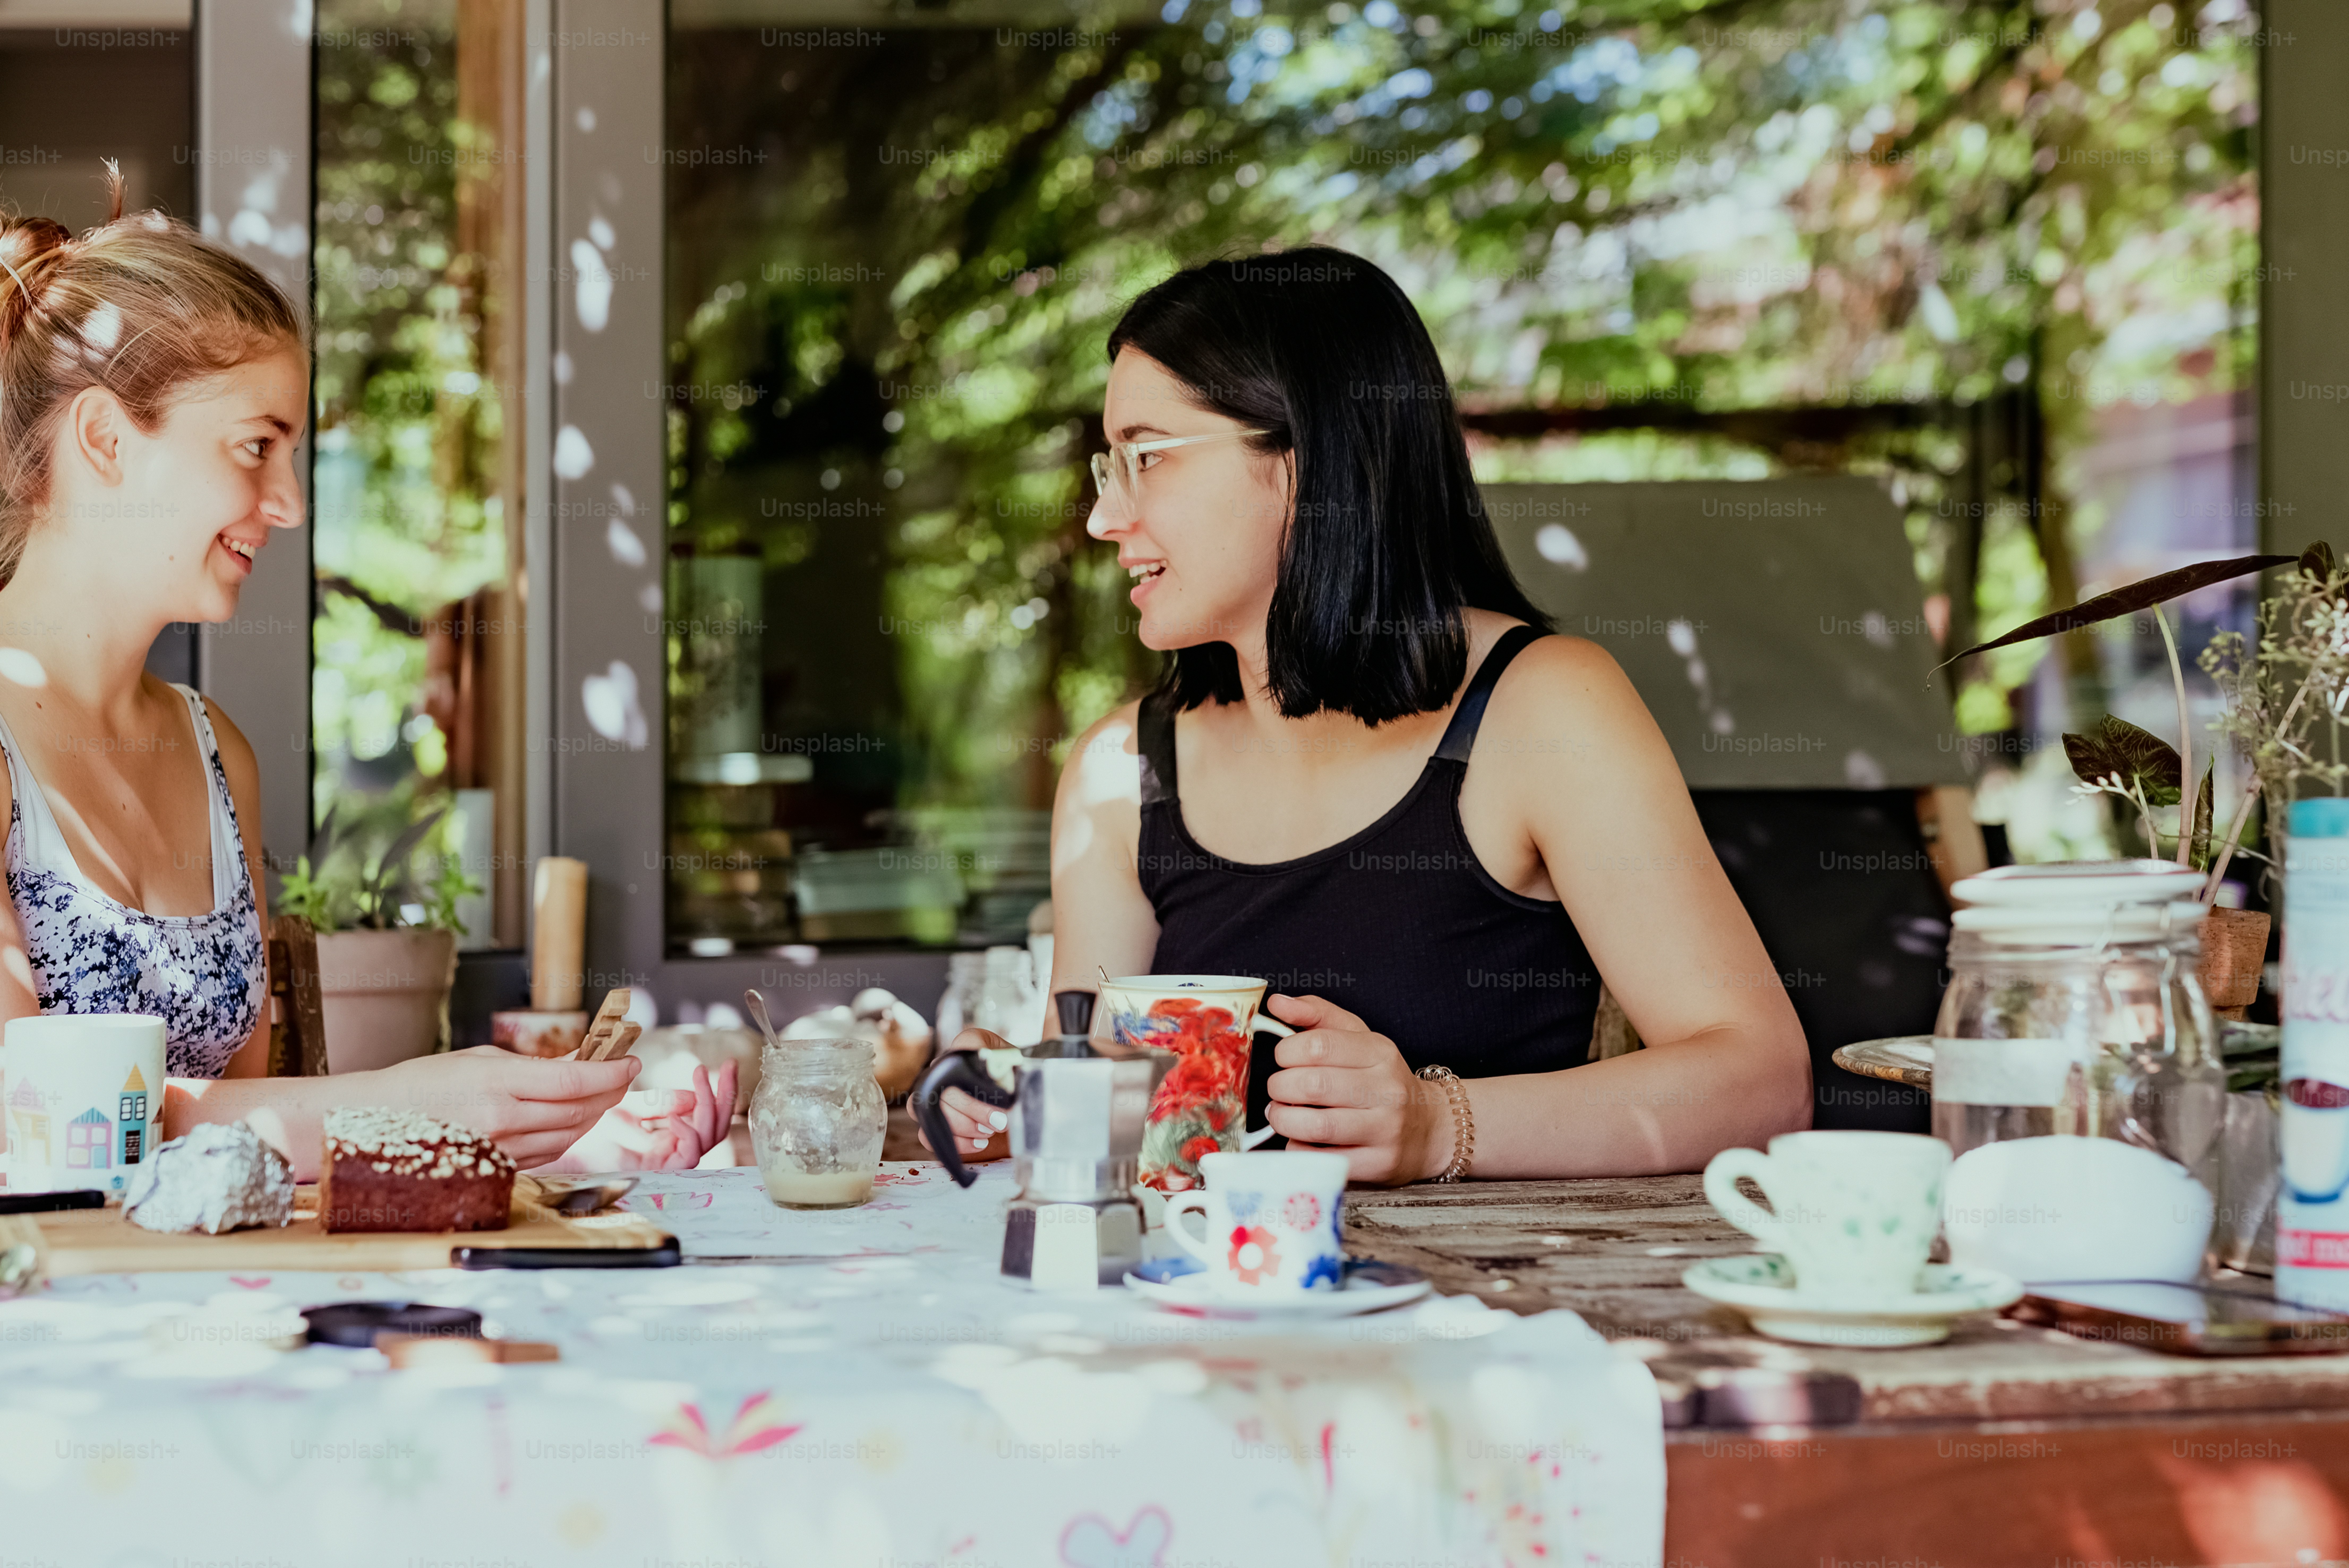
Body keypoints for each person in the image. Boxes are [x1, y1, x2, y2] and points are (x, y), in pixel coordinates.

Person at [923, 246, 1809, 1183]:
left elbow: (1761, 1078)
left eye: (1148, 458)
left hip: (1499, 1311)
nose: (1106, 517)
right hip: (1200, 1314)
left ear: (1309, 462)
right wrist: (1021, 1094)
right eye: (1111, 466)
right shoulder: (1120, 773)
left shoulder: (1543, 706)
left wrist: (1437, 1124)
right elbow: (1115, 1108)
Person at [0, 174, 731, 1180]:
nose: (290, 503)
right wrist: (414, 1104)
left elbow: (243, 1155)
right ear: (105, 440)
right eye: (257, 447)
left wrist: (544, 1143)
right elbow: (22, 1121)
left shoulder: (219, 755)